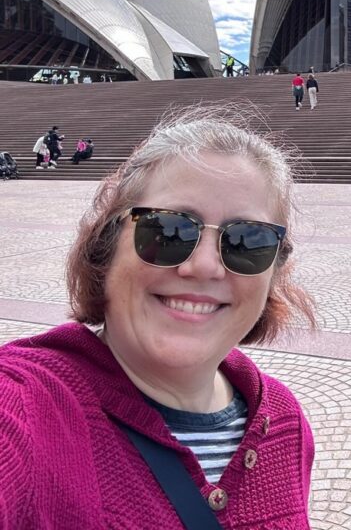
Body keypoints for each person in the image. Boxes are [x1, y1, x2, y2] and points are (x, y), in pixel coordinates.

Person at [0, 106, 316, 527]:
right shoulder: (26, 407)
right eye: (168, 230)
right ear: (107, 248)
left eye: (247, 241)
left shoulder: (283, 421)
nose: (203, 267)